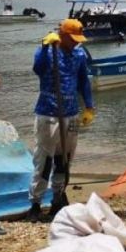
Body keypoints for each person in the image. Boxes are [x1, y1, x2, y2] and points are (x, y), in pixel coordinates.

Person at [27, 18, 95, 222]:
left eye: (78, 39)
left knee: (64, 159)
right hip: (48, 112)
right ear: (62, 34)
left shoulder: (79, 53)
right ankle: (36, 203)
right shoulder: (48, 51)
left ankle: (58, 197)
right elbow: (37, 70)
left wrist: (89, 106)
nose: (75, 42)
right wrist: (43, 45)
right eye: (72, 38)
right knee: (44, 159)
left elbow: (83, 81)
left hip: (71, 113)